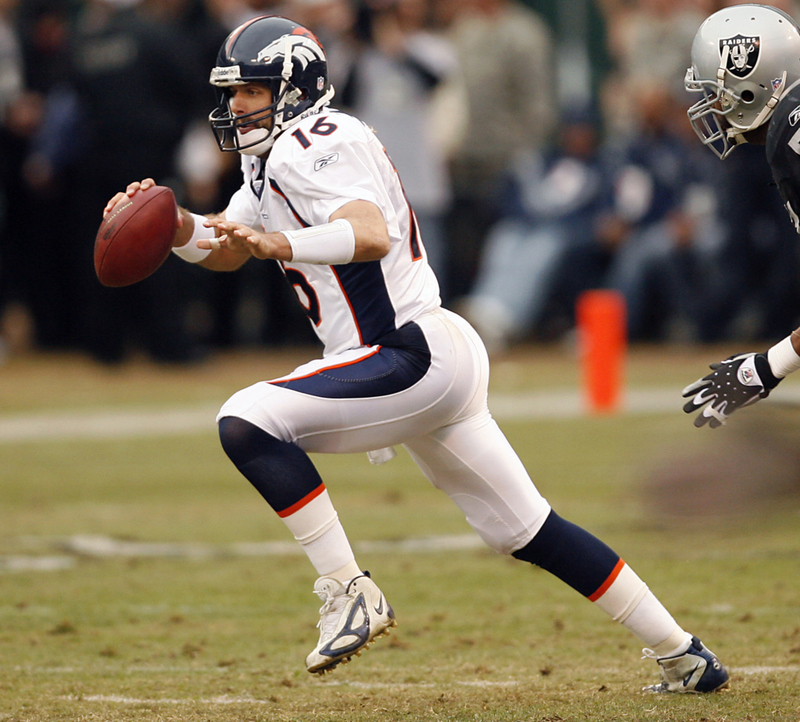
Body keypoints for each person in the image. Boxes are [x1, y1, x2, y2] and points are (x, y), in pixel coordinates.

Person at [105, 15, 728, 692]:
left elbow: (366, 234)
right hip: (428, 356)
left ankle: (349, 591)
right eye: (232, 93)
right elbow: (228, 247)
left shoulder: (314, 139)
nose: (234, 107)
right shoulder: (272, 159)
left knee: (247, 420)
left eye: (249, 91)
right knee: (528, 529)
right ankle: (684, 654)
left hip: (405, 353)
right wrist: (170, 226)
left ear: (292, 88)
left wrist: (285, 245)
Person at [682, 3, 800, 428]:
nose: (711, 105)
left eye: (718, 90)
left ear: (752, 87)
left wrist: (767, 367)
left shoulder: (791, 130)